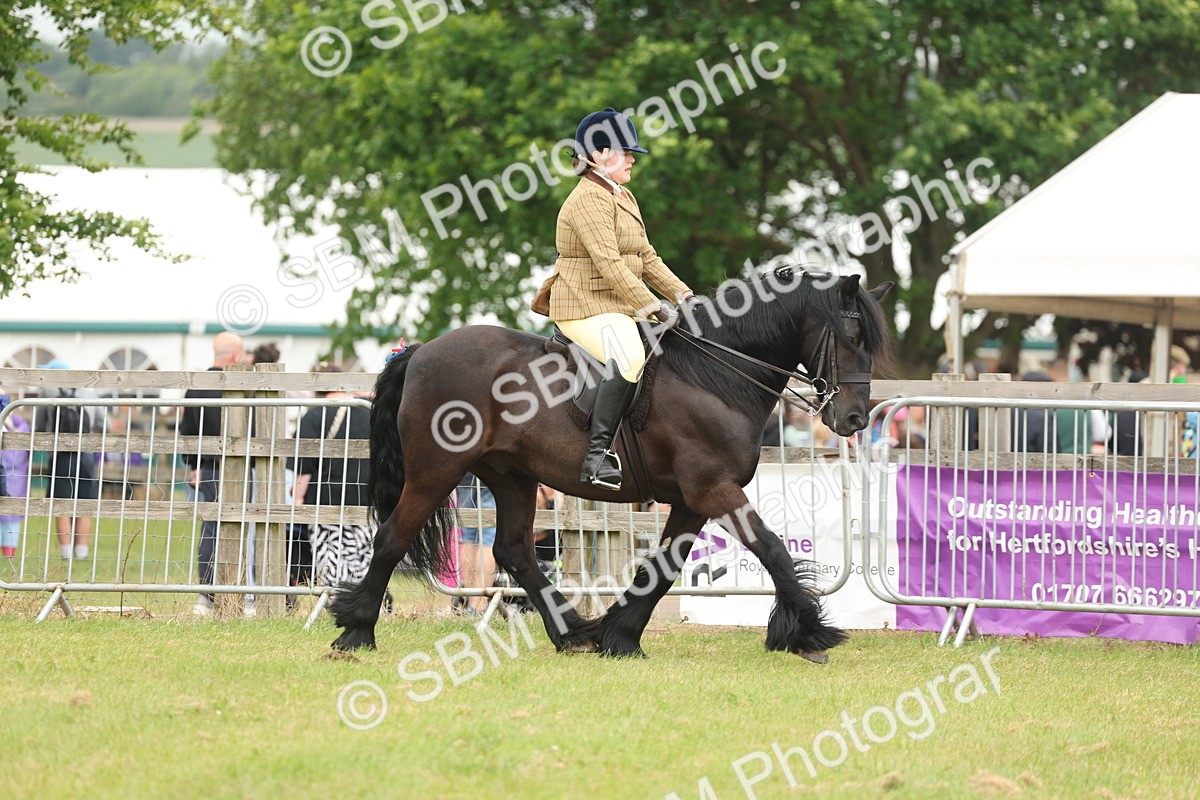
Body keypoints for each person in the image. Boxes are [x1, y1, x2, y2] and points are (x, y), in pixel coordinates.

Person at [532, 107, 694, 490]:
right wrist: (651, 304)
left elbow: (645, 257)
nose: (632, 158)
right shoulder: (589, 199)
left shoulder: (621, 194)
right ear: (596, 156)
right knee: (630, 355)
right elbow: (608, 263)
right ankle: (596, 456)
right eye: (624, 151)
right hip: (583, 303)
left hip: (615, 303)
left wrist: (683, 294)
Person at [290, 364, 377, 605]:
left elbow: (303, 467)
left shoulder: (314, 416)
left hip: (324, 500)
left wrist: (297, 498)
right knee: (361, 555)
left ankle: (335, 602)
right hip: (365, 499)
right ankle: (362, 600)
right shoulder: (368, 412)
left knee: (330, 556)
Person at [180, 331, 247, 615]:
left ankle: (206, 595)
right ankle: (245, 593)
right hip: (243, 466)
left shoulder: (197, 385)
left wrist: (193, 465)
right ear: (235, 356)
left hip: (207, 467)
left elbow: (188, 430)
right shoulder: (241, 382)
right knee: (246, 527)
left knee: (210, 528)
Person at [33, 359, 98, 560]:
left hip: (59, 455)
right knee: (85, 502)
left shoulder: (48, 392)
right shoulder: (89, 392)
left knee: (60, 503)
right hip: (85, 454)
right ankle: (82, 551)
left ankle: (66, 551)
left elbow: (40, 425)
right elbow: (102, 421)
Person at [454, 471, 497, 614]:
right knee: (489, 538)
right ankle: (479, 605)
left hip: (465, 473)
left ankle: (470, 602)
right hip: (491, 474)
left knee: (468, 538)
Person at [0, 392, 30, 559]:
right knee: (12, 518)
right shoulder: (23, 428)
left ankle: (7, 553)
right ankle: (9, 554)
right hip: (18, 479)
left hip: (12, 477)